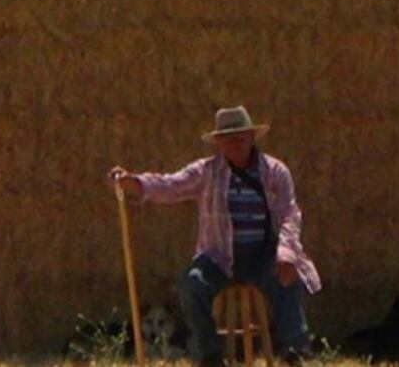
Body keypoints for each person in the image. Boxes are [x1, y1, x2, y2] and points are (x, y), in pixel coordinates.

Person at [110, 106, 320, 366]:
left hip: (264, 253)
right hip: (218, 256)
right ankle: (209, 355)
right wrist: (136, 183)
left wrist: (286, 253)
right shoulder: (207, 171)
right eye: (229, 139)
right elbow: (172, 185)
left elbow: (289, 213)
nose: (235, 144)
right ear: (219, 142)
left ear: (251, 138)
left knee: (289, 277)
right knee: (191, 283)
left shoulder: (275, 172)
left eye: (241, 138)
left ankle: (296, 352)